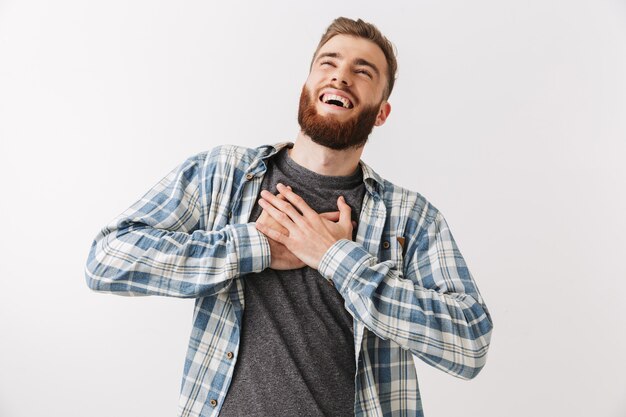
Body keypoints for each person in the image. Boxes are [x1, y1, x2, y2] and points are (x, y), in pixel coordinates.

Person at [85, 17, 493, 417]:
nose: (340, 77)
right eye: (328, 63)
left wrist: (337, 258)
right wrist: (254, 246)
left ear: (381, 112)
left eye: (362, 71)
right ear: (306, 87)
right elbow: (107, 260)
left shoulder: (412, 219)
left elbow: (470, 343)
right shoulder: (221, 174)